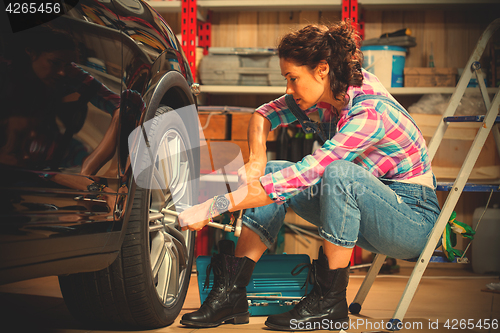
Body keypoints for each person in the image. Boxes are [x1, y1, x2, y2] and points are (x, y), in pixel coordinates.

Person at [178, 21, 441, 330]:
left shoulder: (369, 112)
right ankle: (233, 293)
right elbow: (264, 114)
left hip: (411, 221)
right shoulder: (330, 95)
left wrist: (213, 207)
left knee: (340, 174)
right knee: (276, 170)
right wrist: (257, 161)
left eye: (292, 79)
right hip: (369, 209)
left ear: (322, 69)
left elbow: (307, 173)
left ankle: (329, 303)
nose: (288, 89)